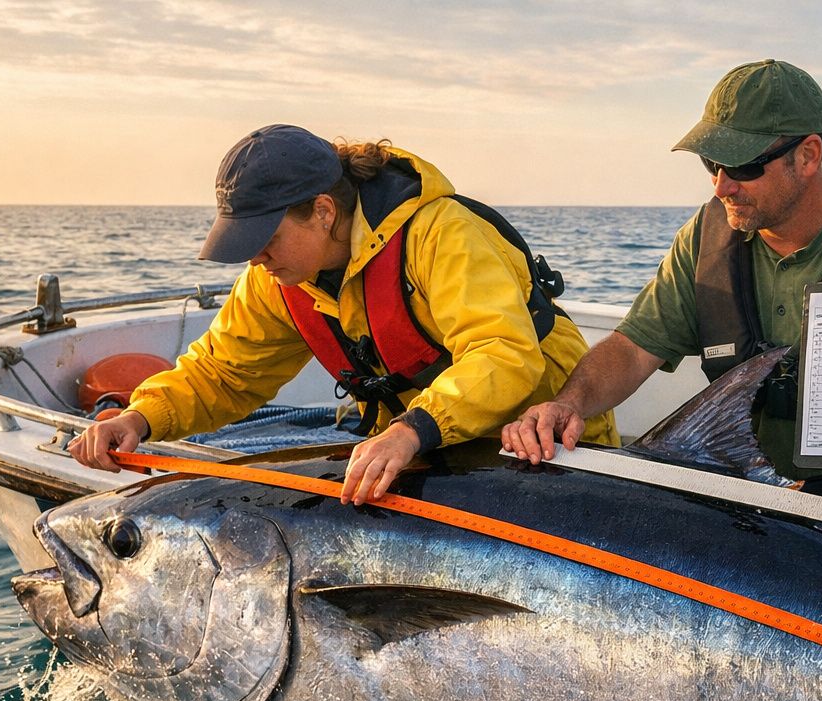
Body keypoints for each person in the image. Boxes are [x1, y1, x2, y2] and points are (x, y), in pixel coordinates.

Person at [502, 60, 822, 507]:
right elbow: (633, 348)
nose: (721, 185)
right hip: (754, 499)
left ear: (809, 155)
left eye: (745, 166)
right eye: (712, 163)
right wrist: (568, 403)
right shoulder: (702, 244)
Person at [68, 124, 616, 503]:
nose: (256, 255)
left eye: (266, 237)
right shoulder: (278, 278)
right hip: (427, 453)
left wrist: (410, 431)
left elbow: (503, 354)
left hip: (551, 447)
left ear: (323, 211)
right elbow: (223, 373)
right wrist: (140, 417)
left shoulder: (441, 234)